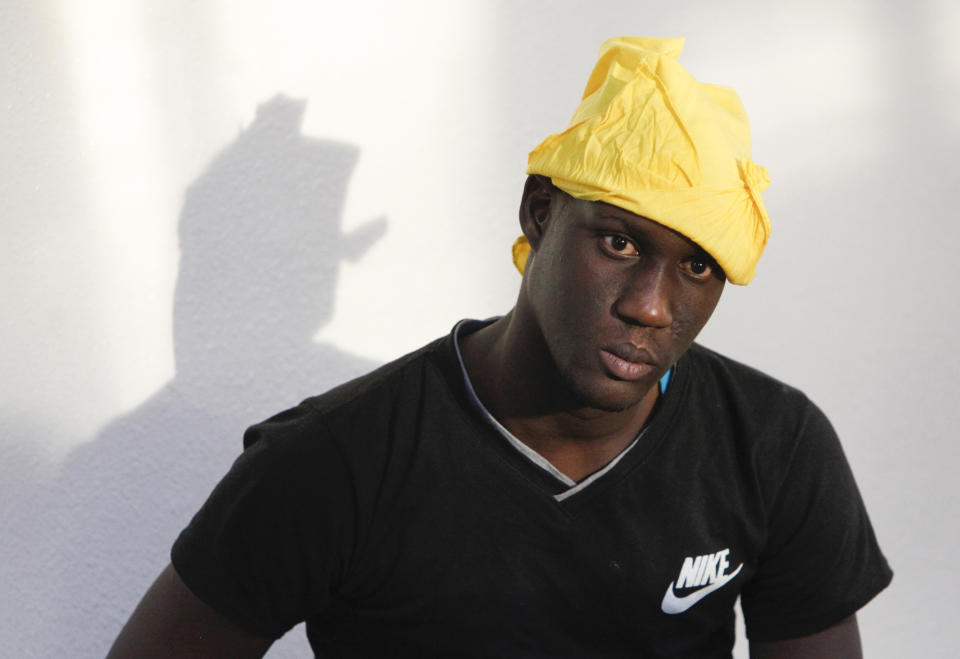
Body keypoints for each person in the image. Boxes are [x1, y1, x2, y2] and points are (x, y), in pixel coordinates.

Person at [109, 37, 891, 658]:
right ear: (540, 212)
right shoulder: (335, 462)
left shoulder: (774, 448)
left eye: (697, 266)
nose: (653, 305)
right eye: (618, 242)